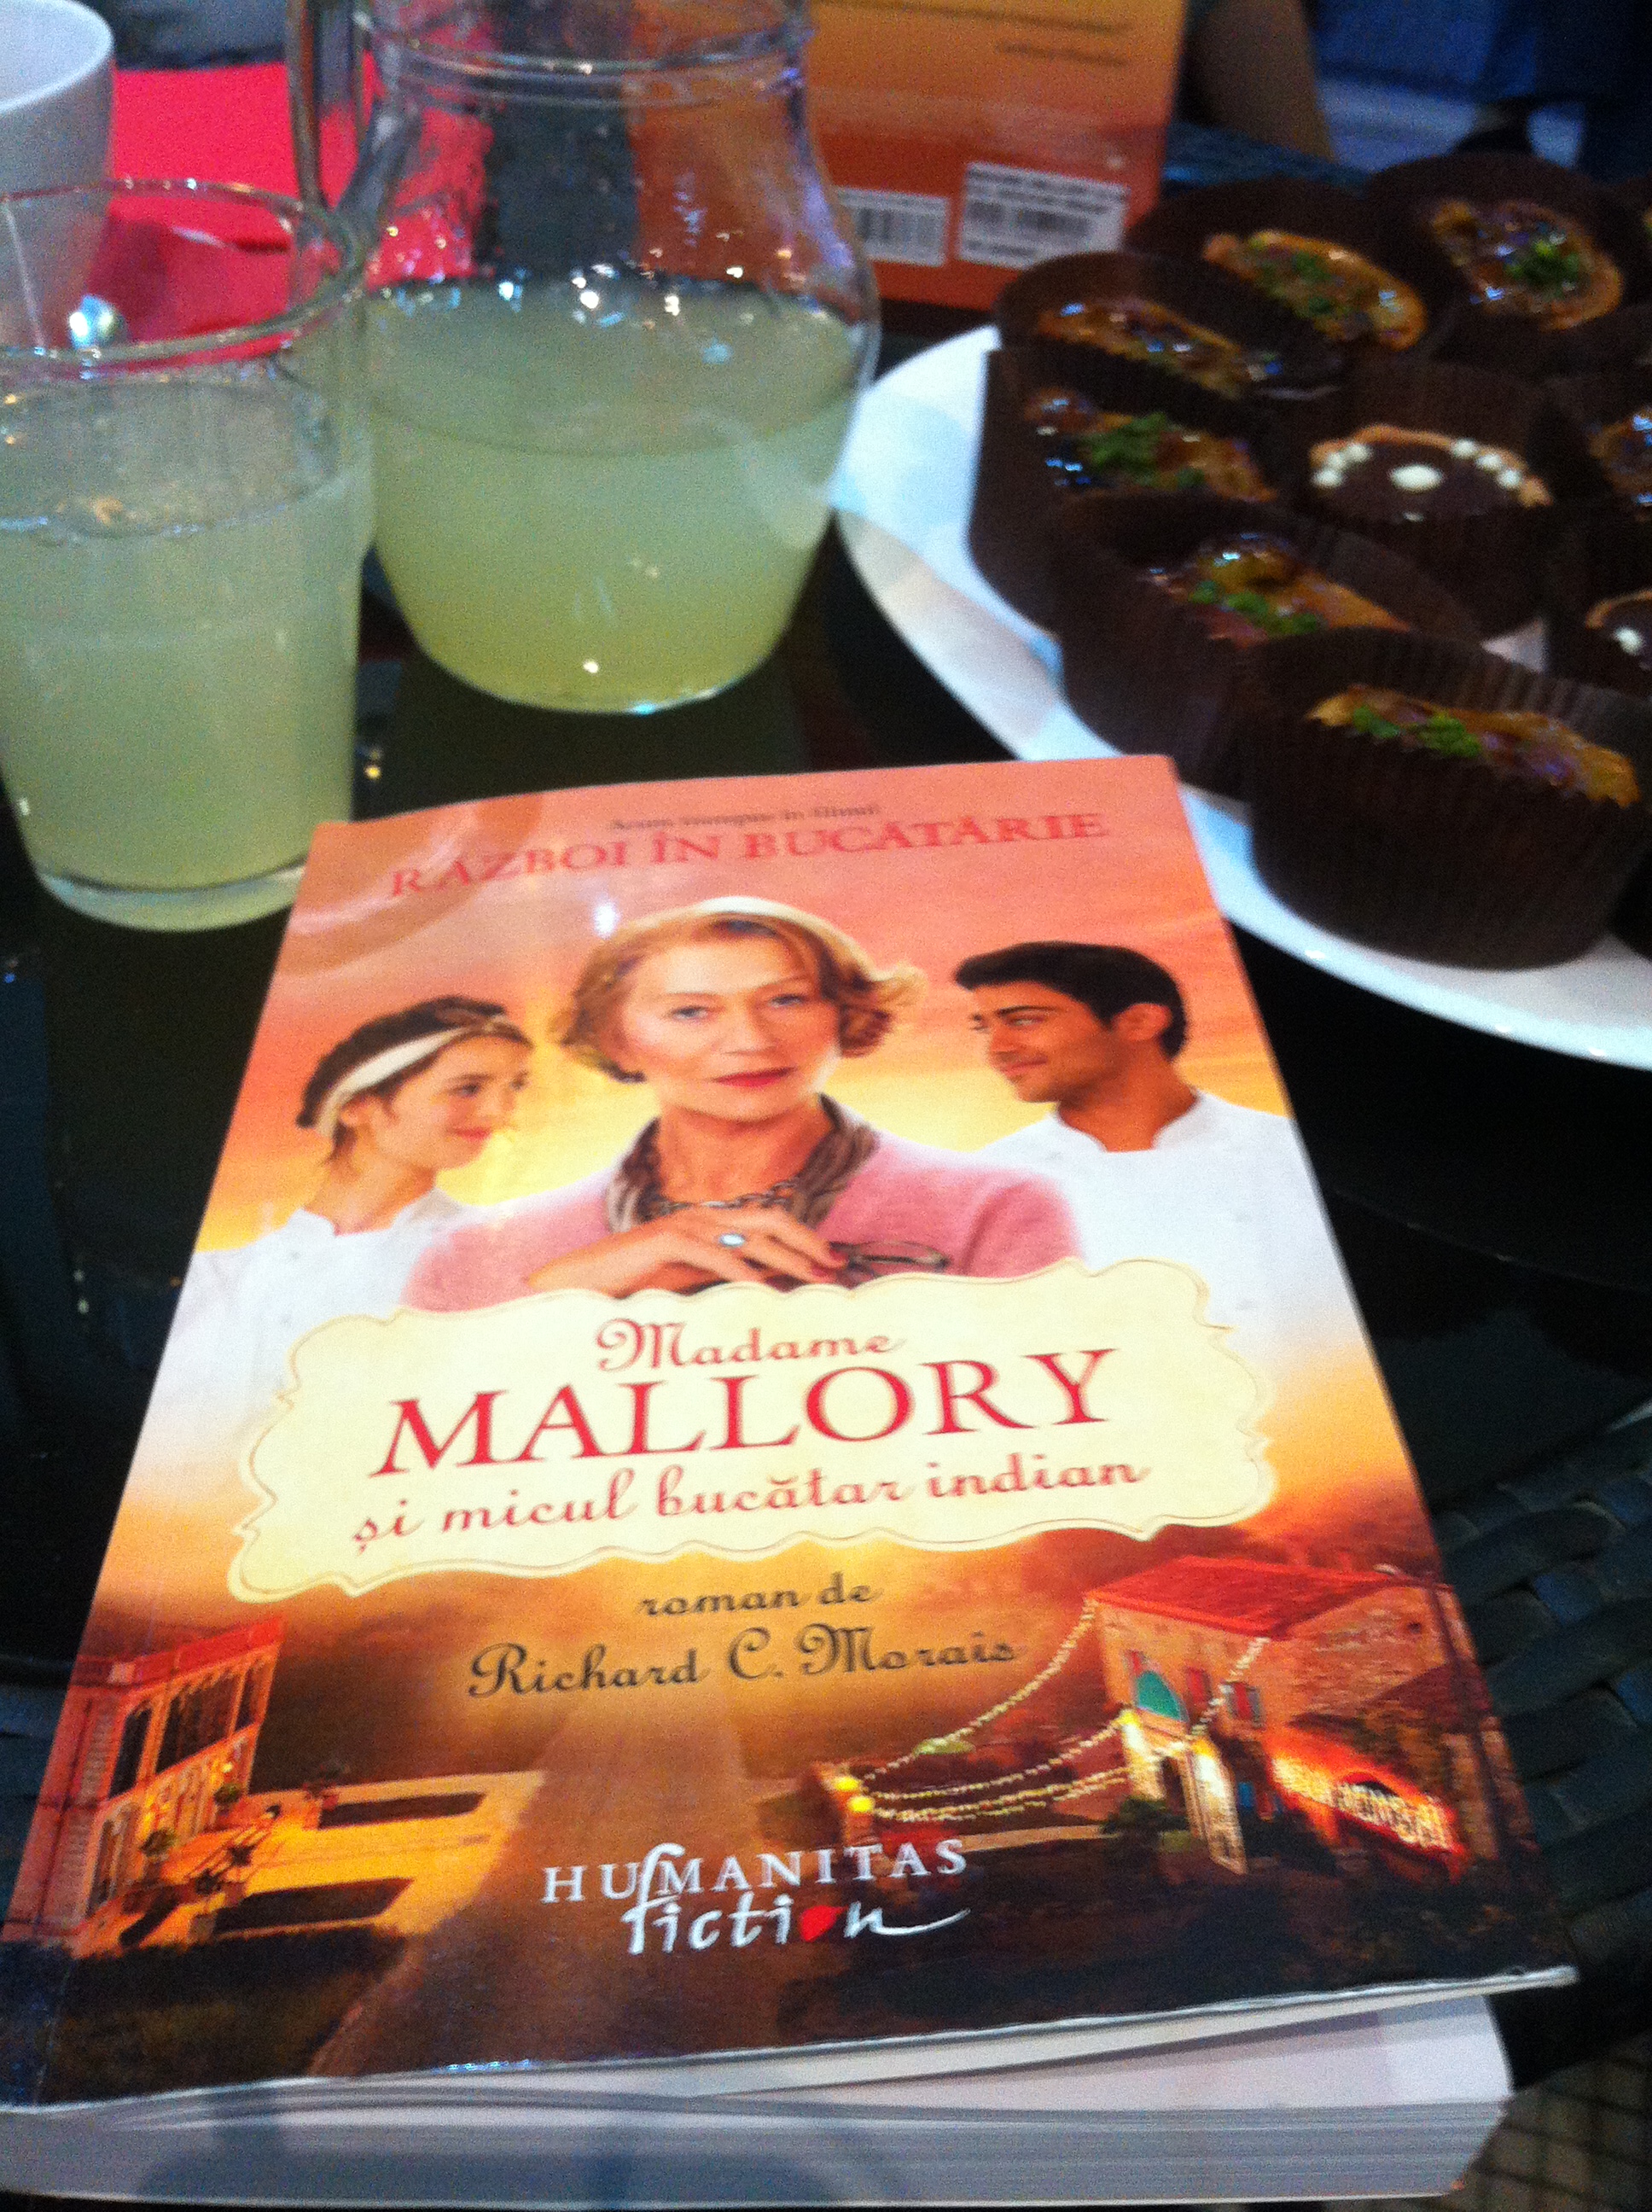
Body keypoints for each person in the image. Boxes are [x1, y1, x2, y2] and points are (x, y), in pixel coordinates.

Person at [408, 899, 1078, 1311]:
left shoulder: (995, 1209)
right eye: (691, 1012)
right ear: (617, 1040)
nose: (751, 1041)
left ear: (844, 1015)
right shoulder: (470, 1257)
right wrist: (567, 1287)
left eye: (786, 1000)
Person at [155, 997, 532, 1449]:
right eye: (468, 1088)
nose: (499, 1112)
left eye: (515, 1087)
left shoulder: (492, 1253)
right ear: (357, 1108)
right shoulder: (210, 1280)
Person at [954, 941, 1347, 1368]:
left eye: (1024, 1021)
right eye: (984, 1028)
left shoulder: (1293, 1151)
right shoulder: (987, 1185)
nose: (998, 1049)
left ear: (1140, 1022)